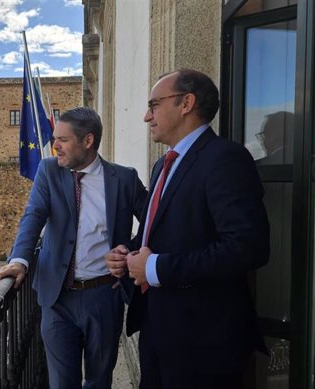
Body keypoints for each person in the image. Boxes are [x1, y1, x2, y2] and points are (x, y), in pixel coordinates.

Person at [106, 68, 270, 389]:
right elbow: (160, 230)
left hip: (204, 342)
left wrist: (155, 267)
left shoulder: (226, 158)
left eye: (154, 105)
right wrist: (129, 254)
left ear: (186, 103)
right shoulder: (163, 163)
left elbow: (248, 247)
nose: (145, 116)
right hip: (158, 330)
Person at [0, 106, 147, 388]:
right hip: (57, 298)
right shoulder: (48, 170)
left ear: (88, 141)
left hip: (104, 295)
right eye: (55, 138)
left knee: (99, 380)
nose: (55, 146)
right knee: (62, 383)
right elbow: (34, 216)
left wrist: (130, 253)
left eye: (63, 140)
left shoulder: (124, 179)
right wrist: (19, 260)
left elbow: (153, 222)